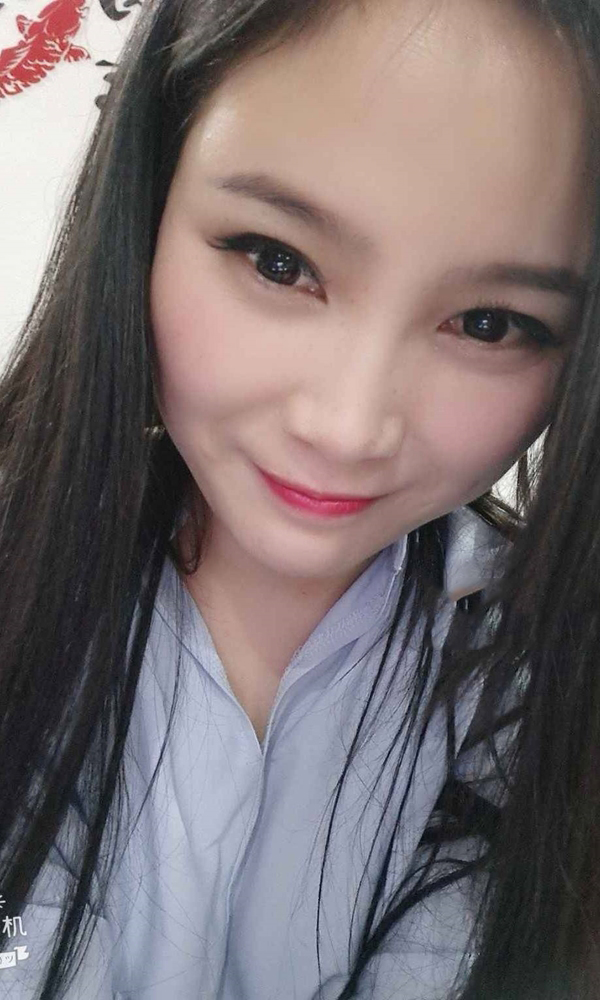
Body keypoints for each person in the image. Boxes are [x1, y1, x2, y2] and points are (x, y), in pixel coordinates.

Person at [0, 0, 597, 996]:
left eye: (490, 323)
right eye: (279, 263)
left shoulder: (550, 711)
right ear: (146, 203)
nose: (349, 426)